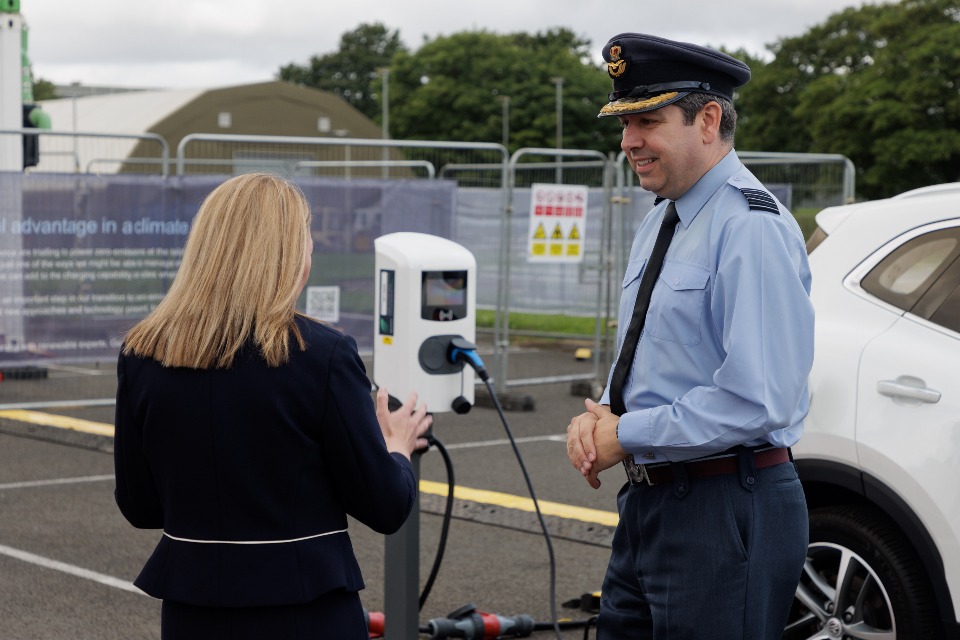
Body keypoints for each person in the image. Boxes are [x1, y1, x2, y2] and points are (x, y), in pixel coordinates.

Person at [565, 34, 814, 639]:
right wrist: (601, 418)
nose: (628, 141)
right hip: (652, 502)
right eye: (624, 124)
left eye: (647, 121)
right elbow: (655, 353)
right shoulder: (661, 218)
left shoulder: (750, 226)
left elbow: (760, 398)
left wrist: (626, 433)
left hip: (725, 505)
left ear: (707, 121)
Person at [113, 172, 432, 639]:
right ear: (286, 254)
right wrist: (397, 446)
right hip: (305, 611)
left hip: (192, 613)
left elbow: (140, 506)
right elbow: (385, 505)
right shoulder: (323, 355)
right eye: (306, 238)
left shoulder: (142, 353)